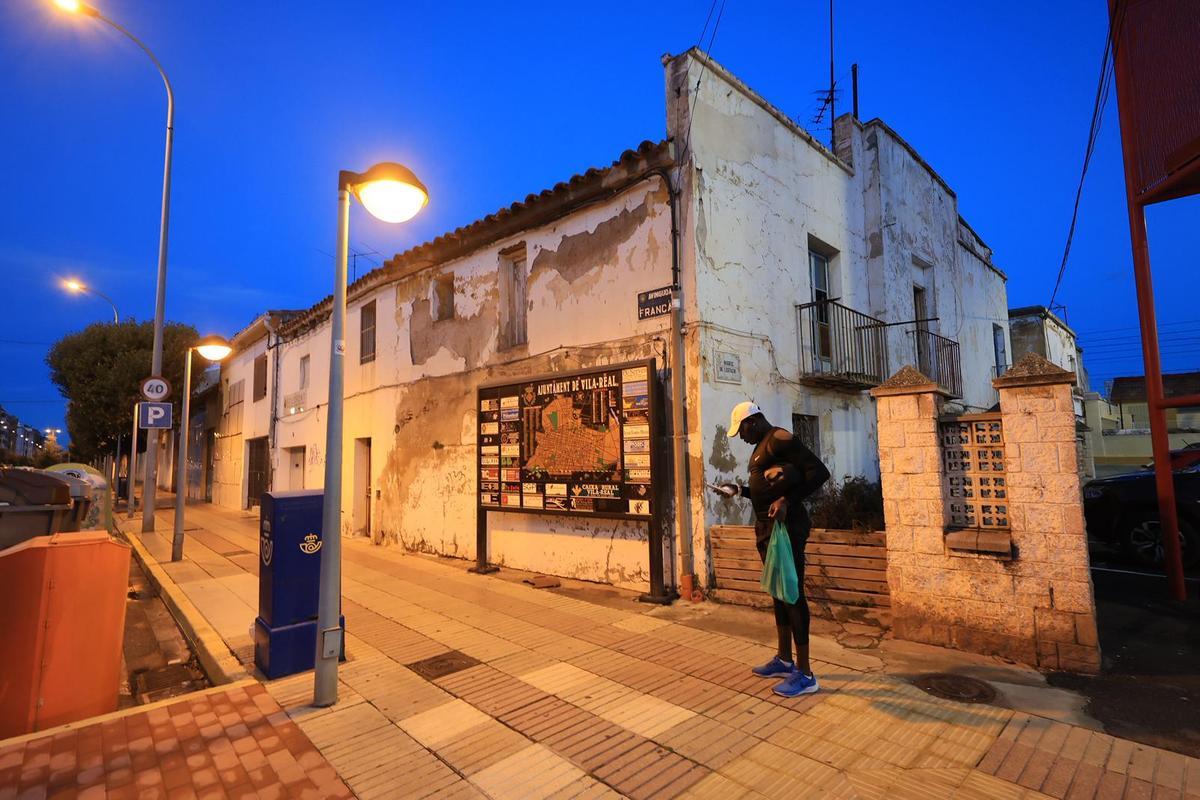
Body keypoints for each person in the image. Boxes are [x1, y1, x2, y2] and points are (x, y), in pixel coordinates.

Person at [711, 401, 830, 697]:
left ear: (753, 422)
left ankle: (806, 674)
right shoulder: (762, 445)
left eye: (742, 431)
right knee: (779, 591)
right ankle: (785, 659)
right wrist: (741, 491)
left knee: (792, 593)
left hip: (786, 527)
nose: (742, 438)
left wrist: (788, 501)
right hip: (767, 528)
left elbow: (819, 472)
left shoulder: (779, 438)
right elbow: (768, 490)